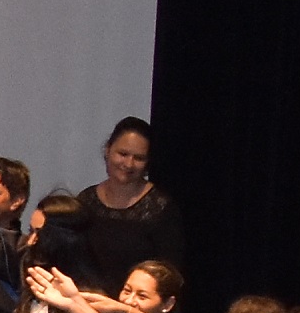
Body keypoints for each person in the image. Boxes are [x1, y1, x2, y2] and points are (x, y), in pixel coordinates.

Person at [31, 117, 187, 300]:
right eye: (122, 154)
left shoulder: (162, 209)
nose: (128, 164)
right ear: (107, 150)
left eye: (138, 158)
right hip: (83, 307)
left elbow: (169, 277)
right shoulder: (86, 200)